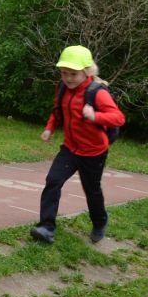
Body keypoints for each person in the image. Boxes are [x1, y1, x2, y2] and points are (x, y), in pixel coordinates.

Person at [30, 45, 126, 245]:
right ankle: (46, 227)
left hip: (93, 152)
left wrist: (95, 116)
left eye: (73, 74)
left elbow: (118, 118)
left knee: (91, 190)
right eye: (64, 73)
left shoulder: (97, 93)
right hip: (70, 149)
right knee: (53, 181)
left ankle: (99, 222)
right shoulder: (62, 87)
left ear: (87, 72)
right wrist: (49, 128)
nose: (68, 78)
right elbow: (58, 110)